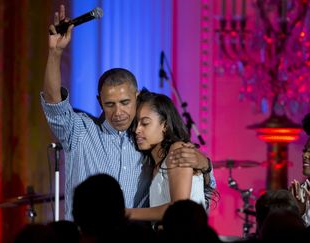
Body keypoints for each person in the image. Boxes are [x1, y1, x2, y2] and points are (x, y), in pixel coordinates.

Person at [41, 4, 215, 220]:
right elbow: (53, 102)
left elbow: (192, 189)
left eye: (125, 102)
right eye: (110, 104)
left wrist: (206, 165)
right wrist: (55, 52)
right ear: (99, 102)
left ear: (136, 98)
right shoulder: (80, 132)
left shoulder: (147, 140)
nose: (119, 112)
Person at [126, 90, 215, 221]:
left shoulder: (177, 150)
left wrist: (126, 213)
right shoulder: (153, 163)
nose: (137, 130)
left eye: (145, 123)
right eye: (136, 124)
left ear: (165, 125)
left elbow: (179, 209)